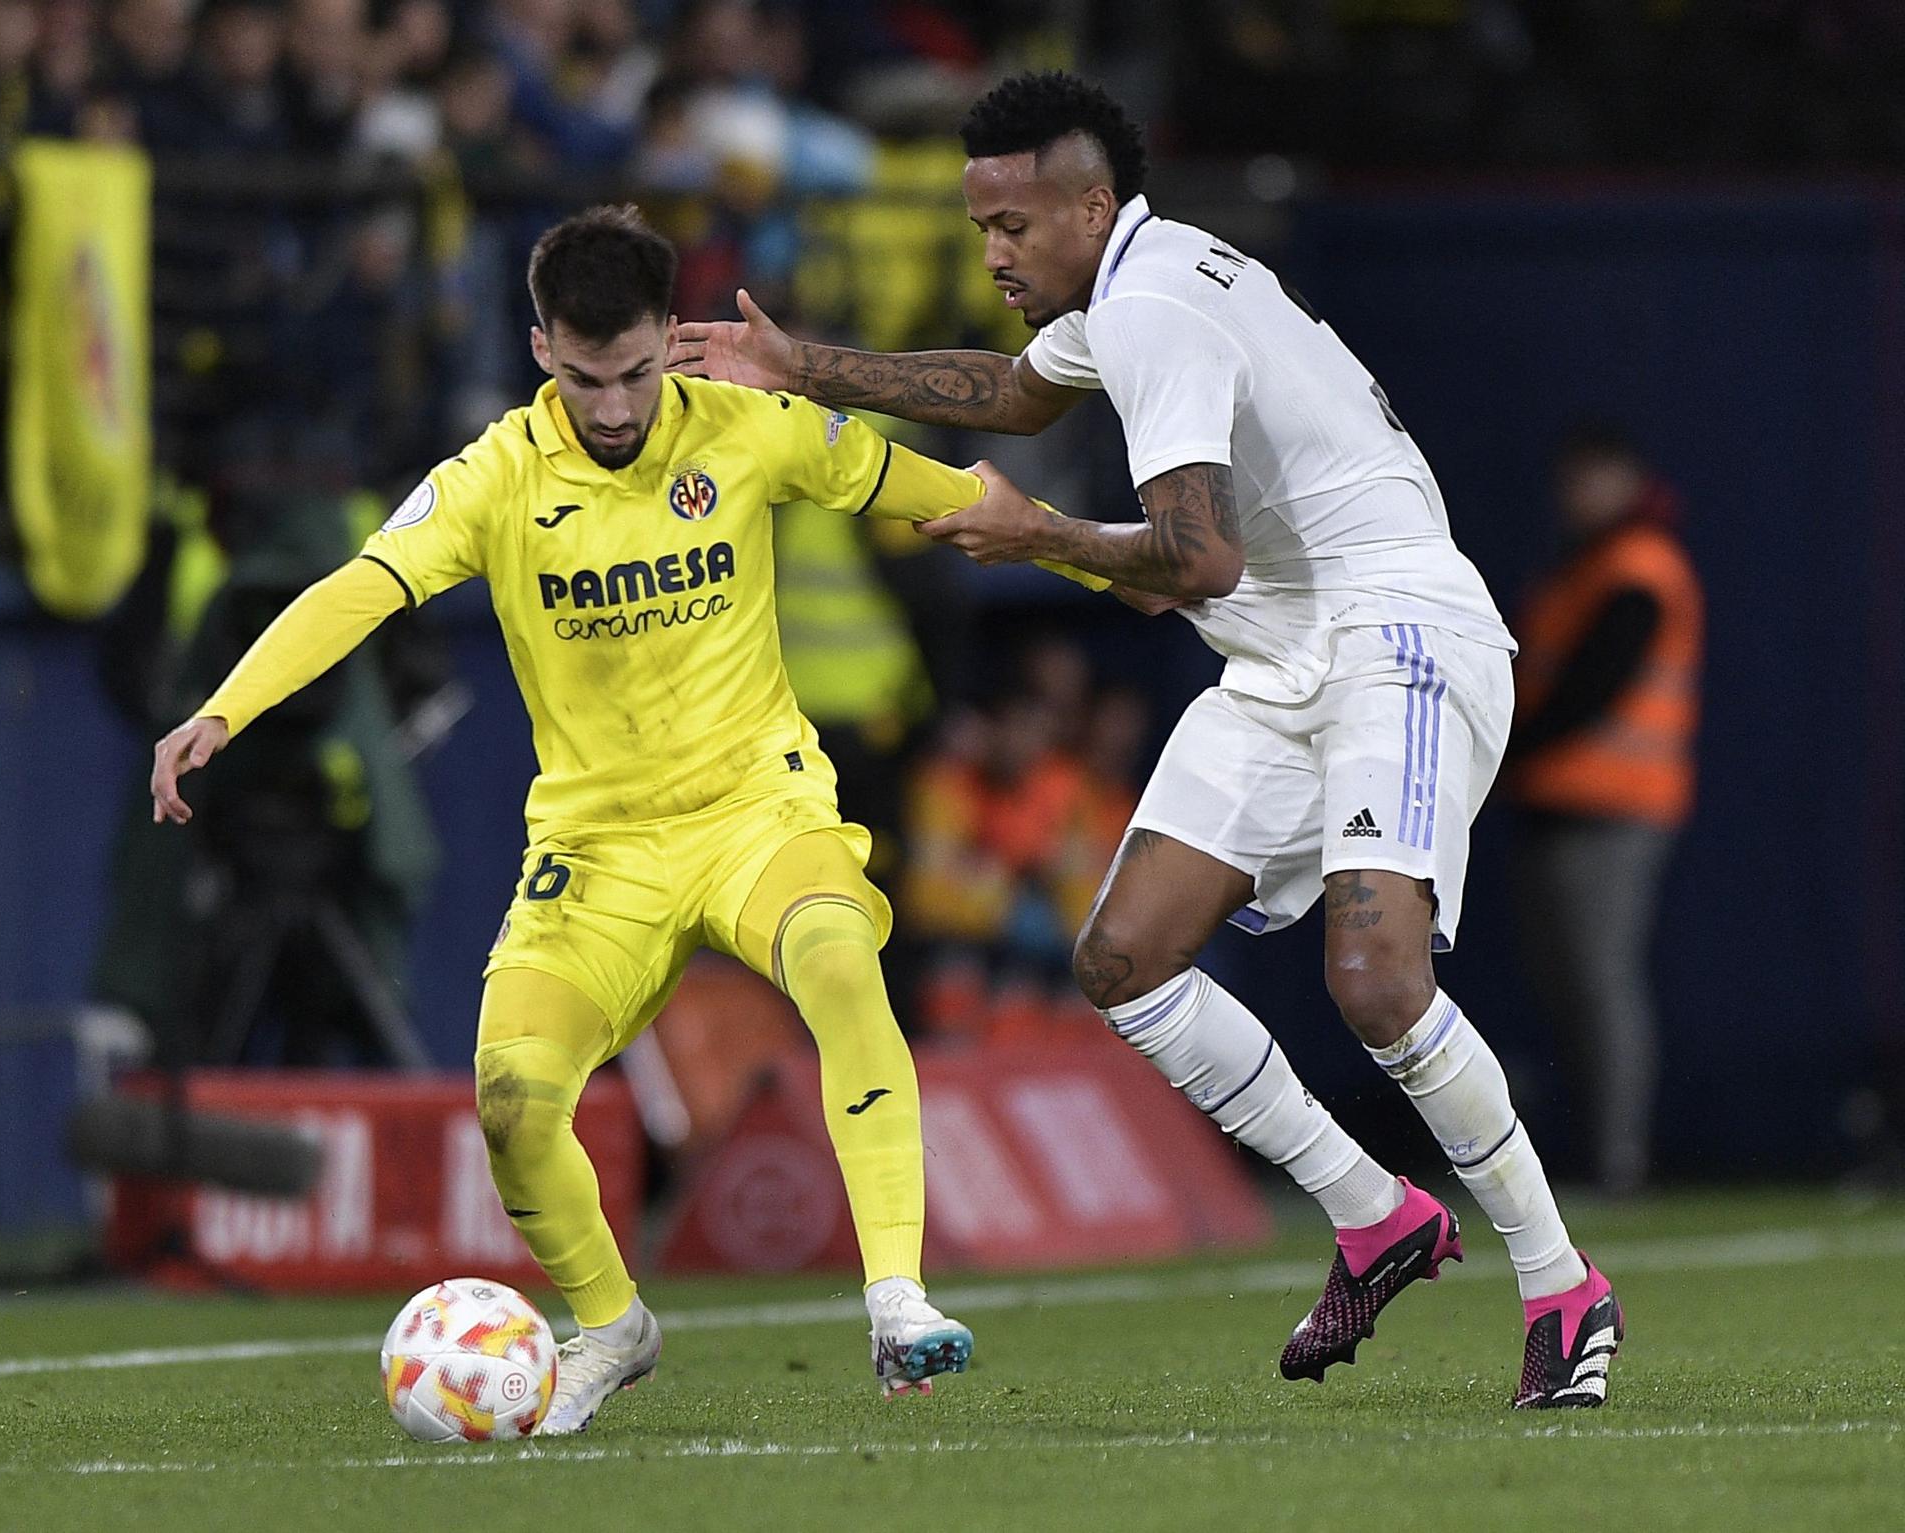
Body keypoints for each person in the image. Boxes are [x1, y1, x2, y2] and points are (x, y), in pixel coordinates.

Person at [674, 71, 1620, 1409]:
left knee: (1377, 983)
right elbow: (1009, 394)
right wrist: (793, 362)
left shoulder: (1156, 307)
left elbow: (1195, 555)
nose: (990, 251)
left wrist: (1039, 535)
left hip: (1395, 637)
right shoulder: (1135, 283)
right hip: (1283, 654)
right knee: (1123, 959)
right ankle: (1376, 1215)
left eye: (1011, 225)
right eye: (977, 225)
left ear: (1090, 204)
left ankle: (1561, 1282)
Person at [150, 205, 1103, 1432]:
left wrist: (1101, 562)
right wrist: (220, 712)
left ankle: (897, 1298)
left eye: (639, 373)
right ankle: (611, 1326)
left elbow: (942, 495)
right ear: (542, 346)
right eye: (588, 377)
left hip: (757, 807)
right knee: (509, 1098)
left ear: (672, 339)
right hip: (596, 850)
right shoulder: (491, 477)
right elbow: (359, 590)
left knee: (835, 959)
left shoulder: (753, 432)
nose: (614, 407)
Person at [1507, 425, 1703, 1195]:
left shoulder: (1641, 568)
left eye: (1594, 477)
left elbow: (1592, 690)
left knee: (1601, 984)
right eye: (1572, 477)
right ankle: (1591, 1151)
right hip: (1554, 803)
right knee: (1568, 988)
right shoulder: (1577, 567)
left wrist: (1503, 752)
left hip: (1617, 810)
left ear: (1629, 480)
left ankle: (1619, 1161)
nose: (1577, 493)